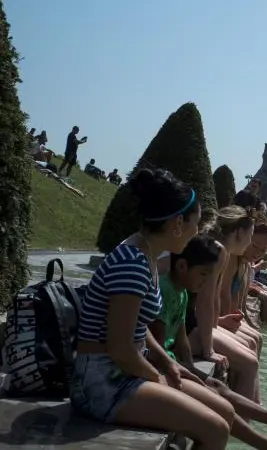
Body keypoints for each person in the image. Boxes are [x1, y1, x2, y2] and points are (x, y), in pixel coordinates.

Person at [70, 168, 232, 449]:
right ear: (178, 223)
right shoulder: (133, 262)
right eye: (195, 223)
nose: (197, 232)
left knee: (225, 412)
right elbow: (120, 349)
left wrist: (168, 363)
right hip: (102, 383)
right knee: (216, 428)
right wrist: (156, 377)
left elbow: (135, 326)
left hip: (120, 372)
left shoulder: (143, 254)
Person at [150, 235, 267, 450]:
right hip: (161, 367)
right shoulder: (164, 290)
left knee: (218, 386)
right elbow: (158, 346)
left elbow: (181, 336)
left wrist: (191, 367)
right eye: (203, 275)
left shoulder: (181, 292)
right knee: (220, 405)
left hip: (171, 363)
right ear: (182, 266)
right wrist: (183, 370)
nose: (204, 283)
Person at [190, 206, 263, 403]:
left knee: (250, 351)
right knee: (250, 363)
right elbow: (205, 301)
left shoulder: (221, 250)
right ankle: (246, 423)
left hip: (191, 325)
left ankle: (256, 412)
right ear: (239, 232)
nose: (250, 242)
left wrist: (220, 322)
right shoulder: (217, 250)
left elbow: (211, 298)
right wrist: (208, 350)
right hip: (188, 330)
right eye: (250, 235)